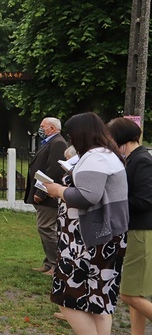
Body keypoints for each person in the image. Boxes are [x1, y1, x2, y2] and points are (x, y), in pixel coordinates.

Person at [44, 112, 128, 335]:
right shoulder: (107, 154)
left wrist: (58, 190)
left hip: (88, 240)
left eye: (72, 135)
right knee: (99, 301)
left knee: (66, 296)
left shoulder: (96, 157)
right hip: (103, 236)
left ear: (82, 134)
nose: (71, 140)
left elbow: (87, 196)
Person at [108, 117, 152, 335]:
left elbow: (145, 200)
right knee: (137, 293)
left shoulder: (142, 160)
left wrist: (114, 201)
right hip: (134, 230)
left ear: (121, 139)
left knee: (128, 294)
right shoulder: (133, 159)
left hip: (140, 232)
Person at [23, 117, 67, 276]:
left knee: (46, 228)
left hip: (48, 195)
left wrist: (40, 192)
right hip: (43, 192)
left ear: (52, 129)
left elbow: (53, 170)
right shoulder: (50, 142)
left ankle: (57, 264)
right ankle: (49, 262)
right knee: (44, 229)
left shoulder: (58, 143)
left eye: (43, 126)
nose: (40, 129)